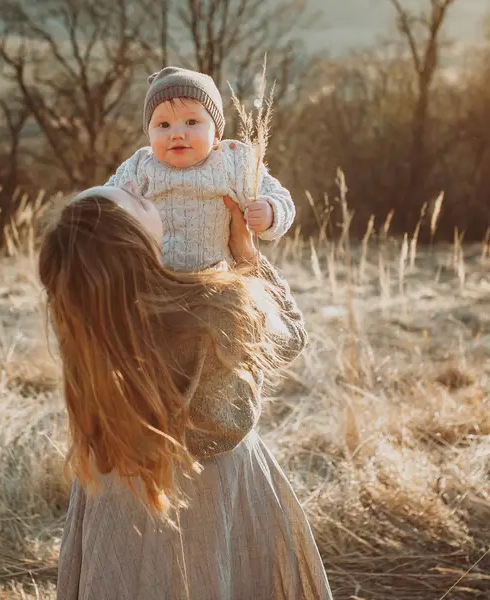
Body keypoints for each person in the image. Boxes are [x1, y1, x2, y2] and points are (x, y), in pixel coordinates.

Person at [39, 184, 332, 599]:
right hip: (217, 492)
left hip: (117, 489)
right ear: (133, 243)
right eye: (141, 203)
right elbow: (291, 338)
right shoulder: (218, 303)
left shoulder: (81, 322)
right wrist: (248, 257)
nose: (148, 194)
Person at [105, 66, 297, 273]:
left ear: (216, 134)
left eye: (191, 122)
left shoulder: (232, 161)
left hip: (217, 280)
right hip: (154, 279)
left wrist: (269, 212)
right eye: (163, 125)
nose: (177, 134)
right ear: (149, 133)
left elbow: (282, 198)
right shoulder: (141, 167)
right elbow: (102, 202)